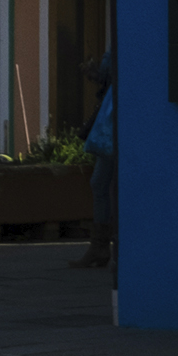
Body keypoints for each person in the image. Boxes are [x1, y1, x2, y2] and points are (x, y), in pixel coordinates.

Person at [72, 51, 114, 272]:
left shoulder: (120, 42)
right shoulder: (114, 43)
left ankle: (104, 247)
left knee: (103, 183)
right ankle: (100, 246)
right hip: (111, 117)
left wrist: (98, 73)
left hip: (117, 118)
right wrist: (97, 74)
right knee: (100, 182)